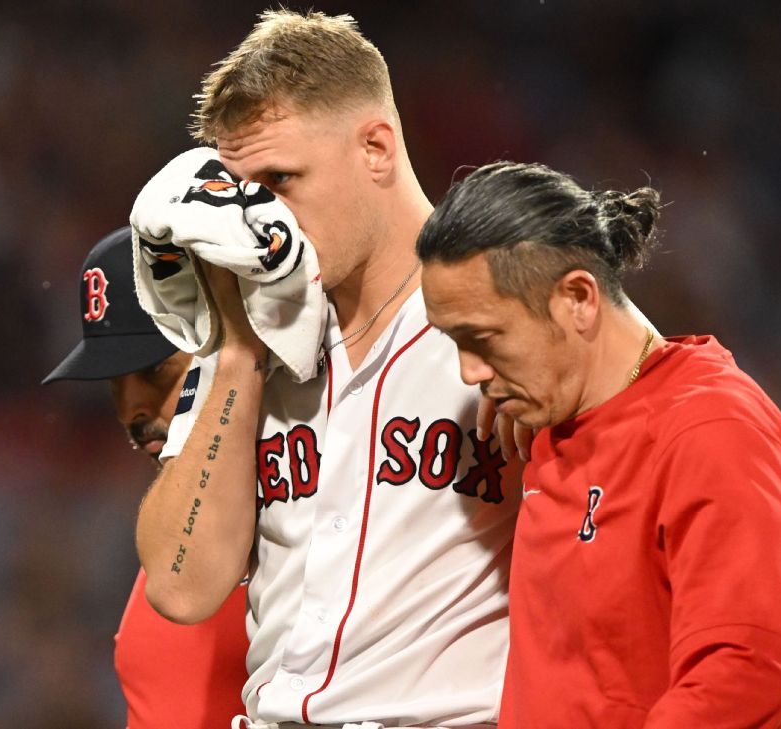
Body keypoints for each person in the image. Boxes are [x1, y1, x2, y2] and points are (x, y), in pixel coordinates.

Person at [133, 10, 520, 728]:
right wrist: (240, 350)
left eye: (282, 180)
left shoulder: (504, 318)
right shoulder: (250, 342)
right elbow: (182, 585)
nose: (260, 221)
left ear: (376, 148)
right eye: (245, 191)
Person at [417, 161, 781, 728]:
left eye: (483, 338)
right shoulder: (557, 416)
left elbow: (746, 673)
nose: (468, 372)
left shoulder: (714, 431)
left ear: (579, 298)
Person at [43, 227, 249, 729]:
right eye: (115, 383)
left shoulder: (318, 500)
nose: (132, 408)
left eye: (155, 370)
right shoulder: (176, 523)